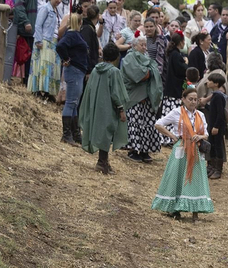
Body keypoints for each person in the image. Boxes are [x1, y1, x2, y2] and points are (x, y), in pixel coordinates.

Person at [152, 85, 213, 219]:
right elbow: (158, 124)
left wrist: (200, 136)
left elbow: (206, 134)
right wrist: (173, 136)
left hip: (196, 149)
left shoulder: (200, 115)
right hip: (181, 147)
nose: (193, 102)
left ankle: (195, 209)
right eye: (190, 99)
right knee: (177, 177)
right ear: (183, 99)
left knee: (196, 179)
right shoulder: (176, 112)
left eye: (195, 99)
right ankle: (174, 209)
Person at [79, 43, 129, 175]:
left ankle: (103, 161)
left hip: (96, 105)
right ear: (116, 57)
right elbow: (116, 93)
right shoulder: (114, 72)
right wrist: (121, 109)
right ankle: (102, 162)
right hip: (108, 108)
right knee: (107, 133)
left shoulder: (96, 70)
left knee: (101, 132)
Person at [121, 34, 165, 163]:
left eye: (145, 45)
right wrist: (151, 72)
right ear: (134, 46)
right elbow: (140, 75)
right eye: (142, 45)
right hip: (135, 98)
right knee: (135, 124)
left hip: (147, 98)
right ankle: (134, 150)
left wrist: (151, 72)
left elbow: (154, 71)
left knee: (147, 125)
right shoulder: (129, 57)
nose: (145, 47)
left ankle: (145, 151)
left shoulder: (146, 57)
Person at [55, 13, 92, 144]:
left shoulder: (73, 34)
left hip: (77, 70)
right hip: (74, 70)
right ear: (80, 23)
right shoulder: (72, 34)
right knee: (71, 102)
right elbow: (60, 46)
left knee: (74, 103)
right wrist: (66, 59)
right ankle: (67, 134)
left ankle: (75, 134)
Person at [29, 0, 65, 97]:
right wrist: (38, 40)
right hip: (45, 39)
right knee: (43, 65)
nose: (59, 1)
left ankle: (49, 91)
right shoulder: (45, 8)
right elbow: (38, 25)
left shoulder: (57, 11)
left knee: (52, 66)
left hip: (53, 40)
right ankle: (39, 89)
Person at [203, 70, 228, 179]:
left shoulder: (219, 96)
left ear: (216, 84)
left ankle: (218, 169)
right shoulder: (214, 95)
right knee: (212, 146)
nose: (207, 83)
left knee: (217, 147)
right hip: (212, 126)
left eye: (210, 81)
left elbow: (220, 113)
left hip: (216, 127)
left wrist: (216, 126)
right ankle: (212, 167)